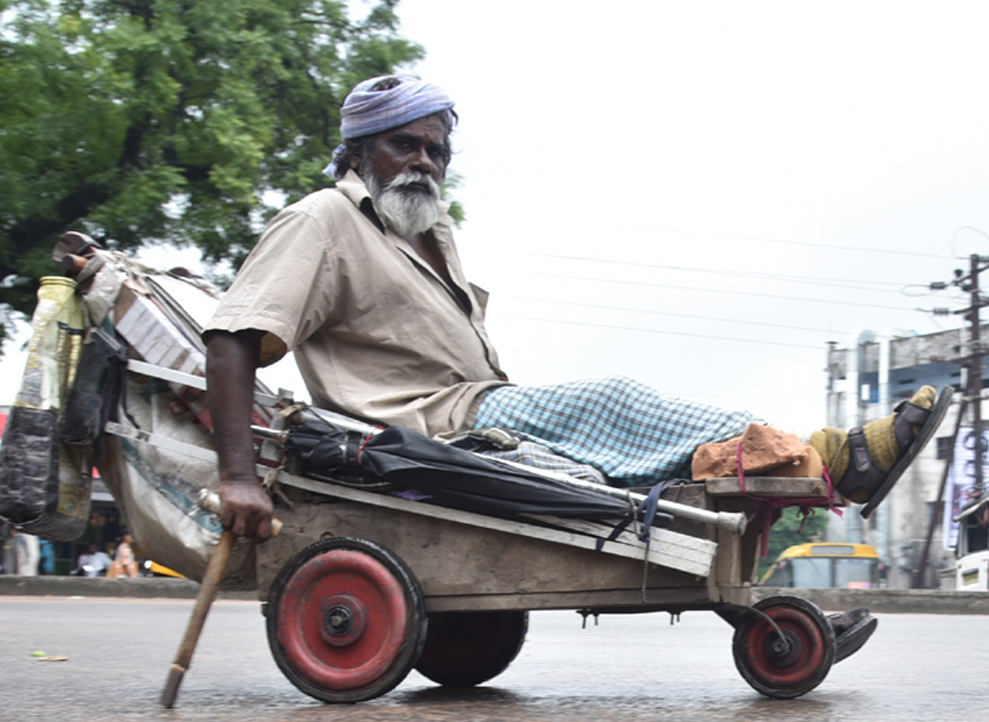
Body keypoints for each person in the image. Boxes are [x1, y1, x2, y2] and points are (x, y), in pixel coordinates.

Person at [203, 74, 944, 552]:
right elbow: (233, 337)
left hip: (482, 411)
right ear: (360, 152)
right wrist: (237, 477)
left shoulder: (429, 229)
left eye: (437, 150)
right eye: (406, 146)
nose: (425, 163)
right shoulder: (321, 221)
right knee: (619, 400)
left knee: (616, 456)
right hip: (429, 429)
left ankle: (801, 479)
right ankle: (832, 458)